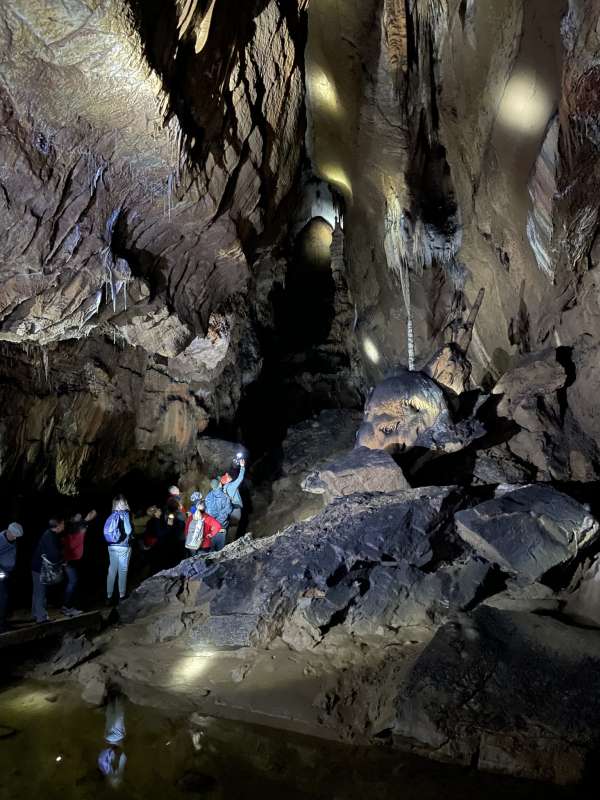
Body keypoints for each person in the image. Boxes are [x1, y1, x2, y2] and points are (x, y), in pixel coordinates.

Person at [62, 509, 96, 617]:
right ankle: (66, 606)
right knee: (72, 582)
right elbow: (70, 543)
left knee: (75, 583)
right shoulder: (69, 528)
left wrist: (86, 520)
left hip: (76, 559)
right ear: (72, 518)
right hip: (69, 560)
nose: (79, 517)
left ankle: (71, 606)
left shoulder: (76, 526)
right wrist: (86, 520)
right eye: (77, 516)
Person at [31, 518, 65, 623]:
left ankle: (36, 614)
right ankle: (41, 618)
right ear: (58, 525)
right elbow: (53, 555)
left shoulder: (50, 534)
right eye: (63, 524)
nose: (64, 526)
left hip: (37, 566)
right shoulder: (50, 536)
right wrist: (62, 560)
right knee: (41, 592)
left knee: (37, 592)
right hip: (41, 568)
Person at [104, 496, 133, 605]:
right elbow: (128, 531)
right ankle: (122, 596)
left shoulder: (112, 515)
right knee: (122, 571)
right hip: (123, 546)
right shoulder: (125, 514)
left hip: (111, 546)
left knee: (112, 571)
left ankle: (108, 597)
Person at [98, 692, 127, 787]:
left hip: (115, 737)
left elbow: (122, 756)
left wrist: (110, 750)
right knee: (111, 717)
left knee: (117, 716)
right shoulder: (108, 768)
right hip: (110, 738)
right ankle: (112, 698)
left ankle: (115, 696)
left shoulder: (108, 768)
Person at [0, 522, 24, 632]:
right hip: (1, 573)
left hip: (8, 572)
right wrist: (1, 574)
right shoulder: (0, 539)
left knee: (7, 598)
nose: (15, 538)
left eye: (17, 536)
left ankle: (4, 621)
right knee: (2, 598)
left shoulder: (12, 539)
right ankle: (1, 626)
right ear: (8, 531)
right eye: (14, 535)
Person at [220, 458, 246, 539]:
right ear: (226, 481)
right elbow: (240, 478)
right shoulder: (231, 486)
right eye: (227, 477)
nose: (229, 476)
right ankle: (230, 541)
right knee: (234, 525)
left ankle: (227, 540)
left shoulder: (224, 488)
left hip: (230, 508)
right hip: (236, 508)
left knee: (230, 525)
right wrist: (242, 467)